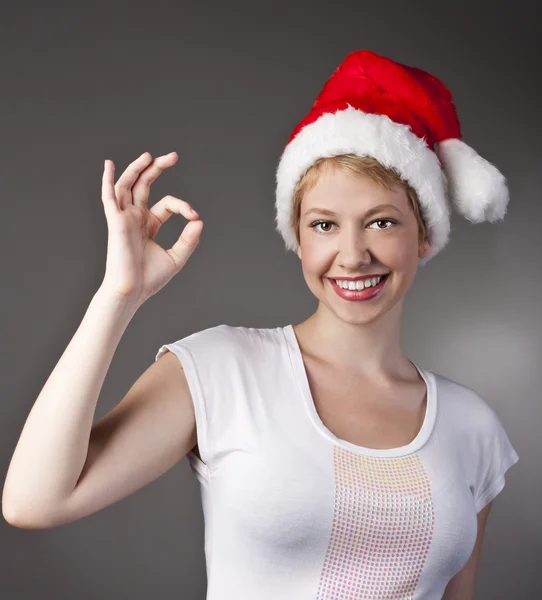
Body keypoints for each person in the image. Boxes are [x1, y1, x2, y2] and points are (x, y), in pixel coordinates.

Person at [3, 50, 519, 599]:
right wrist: (118, 296)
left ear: (423, 235)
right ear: (298, 238)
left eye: (382, 222)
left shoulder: (471, 426)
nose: (352, 255)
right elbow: (34, 501)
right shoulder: (223, 370)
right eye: (324, 224)